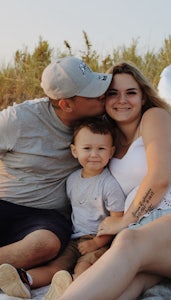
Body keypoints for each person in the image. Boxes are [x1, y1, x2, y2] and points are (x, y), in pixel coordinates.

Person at [55, 62, 171, 300]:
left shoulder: (155, 117)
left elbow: (159, 179)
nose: (122, 100)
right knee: (127, 285)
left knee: (129, 241)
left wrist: (124, 222)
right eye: (113, 93)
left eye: (131, 93)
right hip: (148, 234)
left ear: (143, 97)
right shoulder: (107, 142)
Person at [0, 56, 112, 298]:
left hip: (46, 217)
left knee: (47, 244)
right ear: (66, 104)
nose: (102, 95)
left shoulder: (102, 123)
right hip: (5, 203)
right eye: (92, 93)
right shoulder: (18, 119)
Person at [45, 117, 125, 300]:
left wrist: (96, 243)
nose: (94, 154)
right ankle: (27, 279)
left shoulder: (110, 185)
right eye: (87, 148)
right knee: (57, 266)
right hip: (74, 239)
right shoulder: (72, 180)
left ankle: (74, 293)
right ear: (74, 151)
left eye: (101, 149)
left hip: (99, 240)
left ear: (111, 152)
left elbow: (117, 221)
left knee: (83, 268)